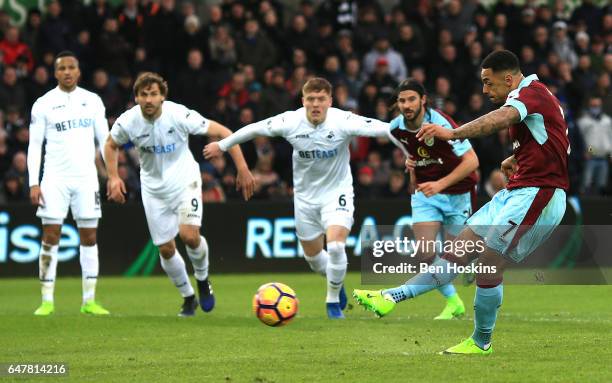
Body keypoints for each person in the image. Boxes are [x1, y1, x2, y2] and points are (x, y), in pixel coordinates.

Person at [353, 50, 568, 354]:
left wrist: (451, 133)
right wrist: (513, 158)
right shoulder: (536, 97)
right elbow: (555, 140)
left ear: (508, 78)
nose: (484, 90)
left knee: (488, 265)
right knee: (455, 253)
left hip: (539, 194)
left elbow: (500, 119)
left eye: (488, 83)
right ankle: (390, 297)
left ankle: (481, 342)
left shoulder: (529, 94)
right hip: (517, 191)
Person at [204, 77, 397, 319]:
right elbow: (253, 129)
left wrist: (411, 153)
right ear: (303, 100)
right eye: (311, 99)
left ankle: (332, 302)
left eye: (321, 99)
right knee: (315, 260)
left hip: (337, 192)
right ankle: (336, 282)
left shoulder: (344, 120)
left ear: (330, 101)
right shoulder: (290, 121)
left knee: (336, 246)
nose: (316, 104)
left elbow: (386, 129)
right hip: (305, 198)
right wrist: (221, 145)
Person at [104, 72, 255, 317]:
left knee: (189, 236)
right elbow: (110, 144)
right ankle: (188, 297)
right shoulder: (129, 121)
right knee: (165, 248)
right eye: (144, 95)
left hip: (186, 182)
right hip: (153, 189)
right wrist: (113, 176)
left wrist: (242, 168)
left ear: (163, 96)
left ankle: (203, 279)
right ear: (137, 98)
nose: (149, 99)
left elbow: (224, 132)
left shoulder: (179, 115)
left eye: (154, 94)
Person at [355, 79, 479, 320]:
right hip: (425, 195)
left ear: (423, 100)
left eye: (411, 99)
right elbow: (412, 154)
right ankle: (454, 302)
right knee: (424, 255)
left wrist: (440, 184)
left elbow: (472, 162)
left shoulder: (440, 123)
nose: (407, 104)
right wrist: (410, 166)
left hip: (457, 194)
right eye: (402, 100)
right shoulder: (396, 129)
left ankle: (470, 261)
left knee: (455, 260)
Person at [27, 51, 110, 316]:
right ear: (55, 73)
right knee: (50, 236)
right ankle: (47, 300)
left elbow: (106, 142)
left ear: (78, 71)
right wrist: (33, 183)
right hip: (54, 179)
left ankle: (89, 301)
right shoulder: (43, 103)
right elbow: (34, 146)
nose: (67, 72)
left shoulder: (93, 101)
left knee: (90, 236)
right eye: (62, 68)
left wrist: (114, 176)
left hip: (87, 179)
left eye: (71, 67)